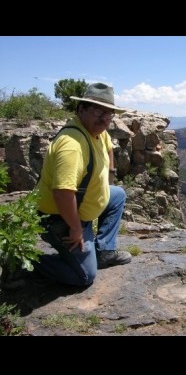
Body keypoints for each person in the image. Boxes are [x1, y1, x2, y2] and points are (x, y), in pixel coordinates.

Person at [33, 82, 132, 287]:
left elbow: (108, 148)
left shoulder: (97, 131)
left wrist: (109, 178)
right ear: (80, 109)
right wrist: (76, 228)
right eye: (98, 111)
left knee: (117, 194)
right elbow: (62, 193)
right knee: (84, 277)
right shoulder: (72, 144)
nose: (105, 119)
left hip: (81, 205)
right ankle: (23, 263)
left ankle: (104, 250)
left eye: (109, 114)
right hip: (61, 217)